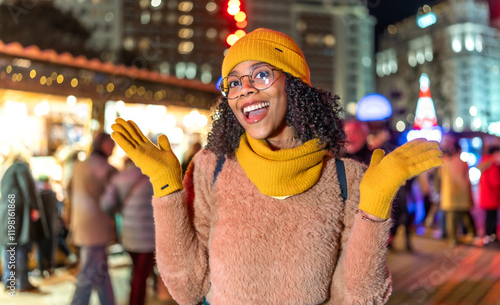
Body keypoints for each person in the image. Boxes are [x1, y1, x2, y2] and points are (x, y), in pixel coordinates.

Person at [111, 28, 443, 304]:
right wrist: (166, 187)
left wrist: (375, 206)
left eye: (261, 74)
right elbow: (187, 289)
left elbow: (357, 298)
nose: (246, 90)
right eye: (234, 82)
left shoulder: (345, 179)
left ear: (294, 84)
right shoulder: (210, 169)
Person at [68, 132, 117, 305]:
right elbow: (112, 201)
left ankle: (108, 301)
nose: (115, 147)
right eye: (112, 143)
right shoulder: (107, 169)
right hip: (96, 227)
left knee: (99, 268)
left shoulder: (79, 165)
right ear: (103, 145)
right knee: (89, 271)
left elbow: (69, 191)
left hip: (81, 224)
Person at [101, 157, 156, 305]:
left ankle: (135, 296)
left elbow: (107, 204)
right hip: (149, 237)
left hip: (129, 236)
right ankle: (135, 301)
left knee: (137, 271)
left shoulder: (119, 178)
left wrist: (120, 208)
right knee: (141, 275)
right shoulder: (153, 177)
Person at [0, 149, 41, 292]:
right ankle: (23, 282)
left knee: (9, 246)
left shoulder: (6, 170)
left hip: (6, 213)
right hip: (18, 213)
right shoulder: (21, 167)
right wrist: (35, 208)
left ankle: (8, 281)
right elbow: (29, 190)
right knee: (22, 246)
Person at [438, 136, 476, 246]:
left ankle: (452, 239)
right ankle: (471, 234)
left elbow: (440, 176)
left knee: (451, 219)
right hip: (461, 195)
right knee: (465, 215)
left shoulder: (445, 161)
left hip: (449, 195)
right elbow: (465, 180)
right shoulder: (462, 162)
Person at [477, 146, 500, 244]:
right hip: (492, 196)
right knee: (492, 217)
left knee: (488, 217)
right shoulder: (493, 165)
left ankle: (489, 236)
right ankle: (491, 236)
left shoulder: (485, 163)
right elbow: (495, 182)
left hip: (486, 195)